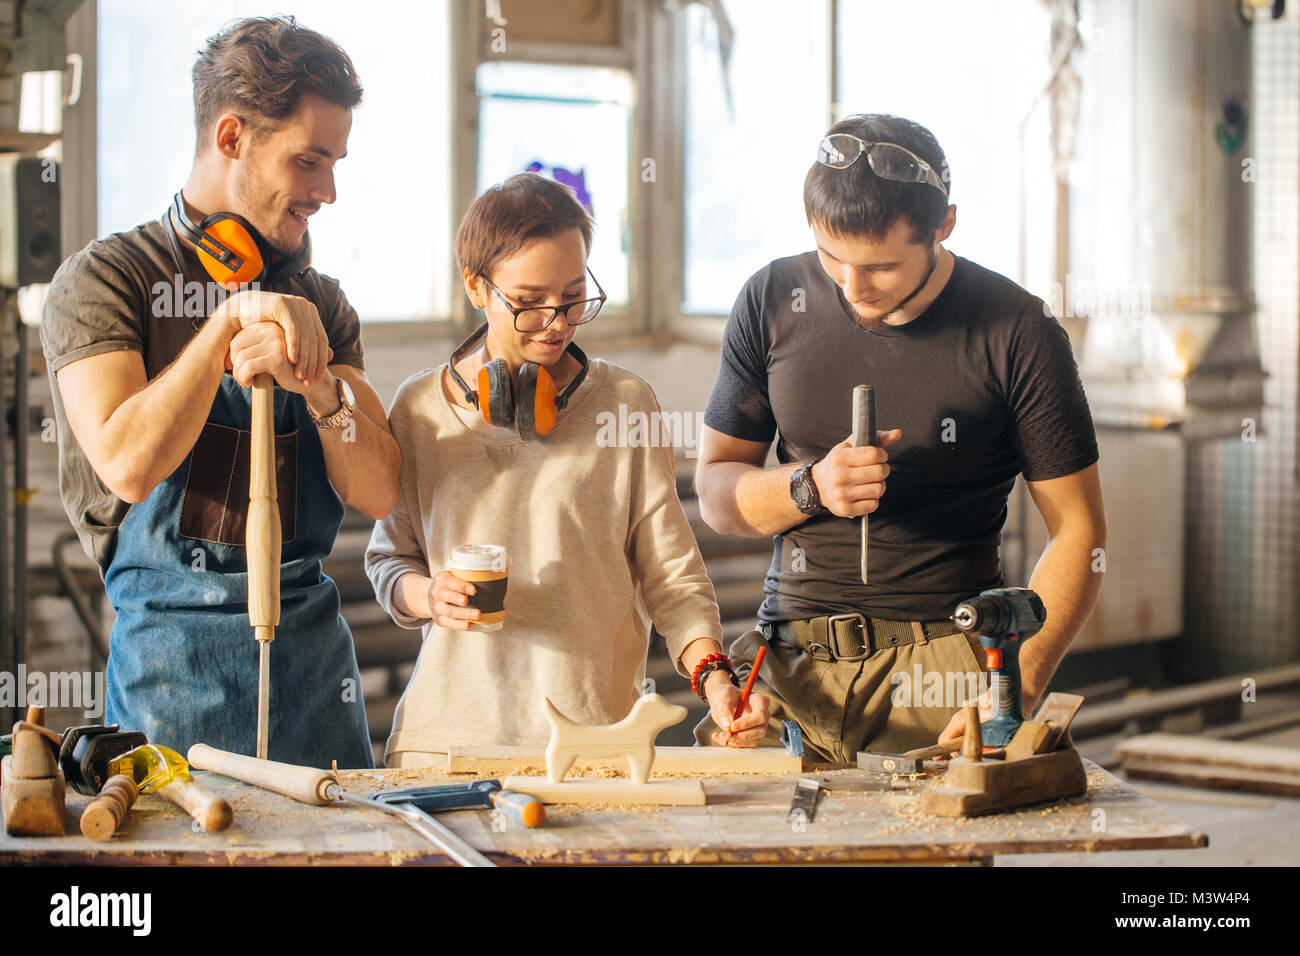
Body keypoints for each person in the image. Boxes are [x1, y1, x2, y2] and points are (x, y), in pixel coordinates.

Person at [40, 16, 400, 768]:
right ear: (232, 137)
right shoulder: (108, 281)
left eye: (335, 164)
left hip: (315, 684)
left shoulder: (321, 304)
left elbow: (379, 490)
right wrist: (226, 323)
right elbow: (128, 464)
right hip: (171, 683)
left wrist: (319, 383)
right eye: (309, 161)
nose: (327, 191)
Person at [693, 113, 1106, 762]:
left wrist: (1011, 690)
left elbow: (1079, 531)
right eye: (833, 259)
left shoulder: (1017, 329)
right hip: (790, 664)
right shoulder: (771, 298)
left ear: (944, 226)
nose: (853, 290)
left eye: (881, 267)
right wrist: (810, 488)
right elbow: (718, 496)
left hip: (943, 665)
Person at [365, 173, 770, 765]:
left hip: (593, 747)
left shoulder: (626, 404)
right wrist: (429, 595)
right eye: (529, 304)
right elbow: (388, 559)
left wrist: (718, 683)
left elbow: (672, 578)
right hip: (441, 747)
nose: (557, 322)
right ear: (477, 288)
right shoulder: (417, 409)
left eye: (573, 296)